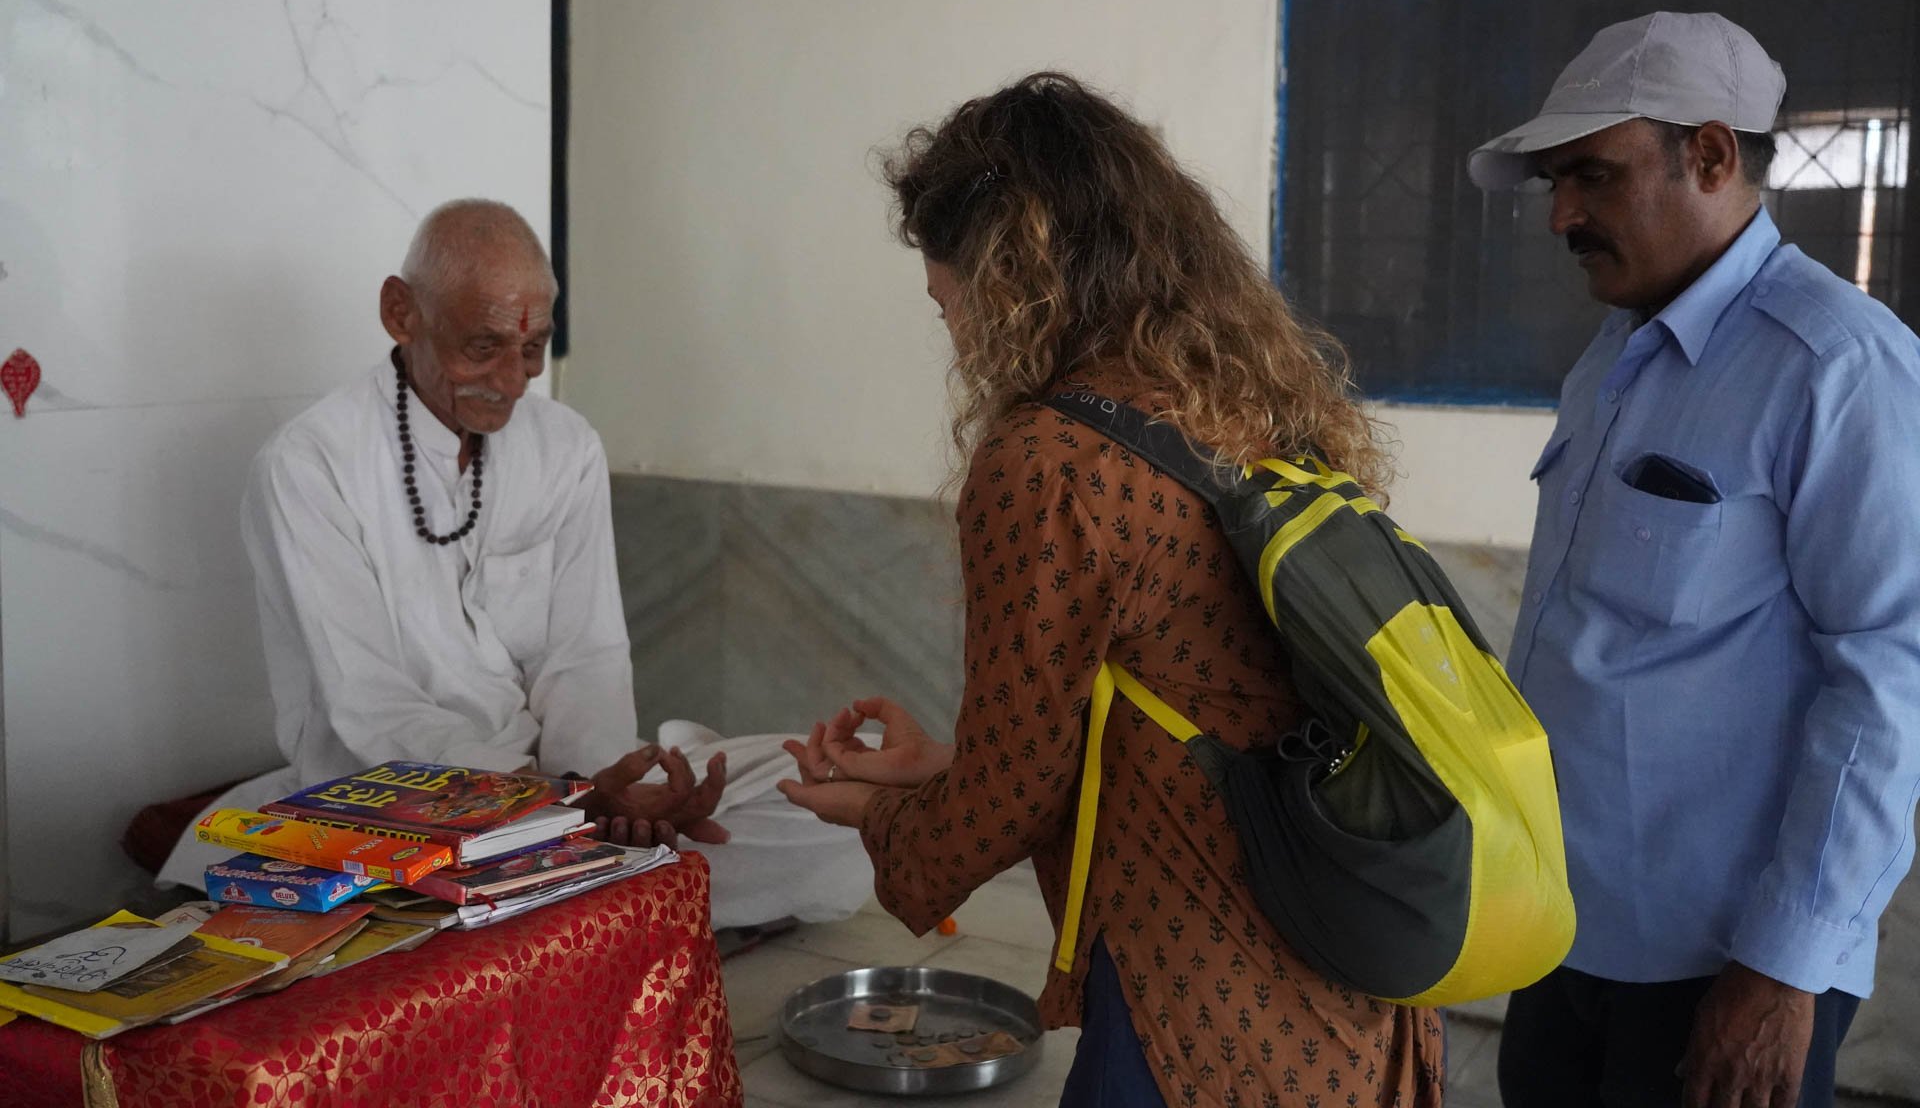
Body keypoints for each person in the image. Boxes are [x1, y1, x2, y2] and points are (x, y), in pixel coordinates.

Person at [778, 74, 1445, 1106]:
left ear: (1010, 280)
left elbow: (1013, 793)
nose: (952, 338)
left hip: (1201, 993)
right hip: (1343, 969)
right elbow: (1202, 702)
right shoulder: (1250, 400)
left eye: (946, 300)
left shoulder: (1050, 455)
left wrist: (870, 809)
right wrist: (941, 764)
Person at [158, 199, 871, 929]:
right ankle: (614, 901)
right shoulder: (310, 467)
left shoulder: (565, 446)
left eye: (531, 351)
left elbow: (586, 655)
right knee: (496, 877)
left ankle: (602, 888)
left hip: (567, 788)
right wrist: (553, 800)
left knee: (858, 784)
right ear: (402, 313)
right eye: (483, 346)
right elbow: (370, 708)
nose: (512, 381)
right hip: (403, 809)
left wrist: (606, 790)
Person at [1468, 11, 1920, 1108]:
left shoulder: (1838, 367)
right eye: (1553, 183)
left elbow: (1890, 675)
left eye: (1592, 176)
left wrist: (1777, 968)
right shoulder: (1617, 353)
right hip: (1562, 923)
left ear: (1711, 154)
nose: (1562, 214)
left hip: (1717, 962)